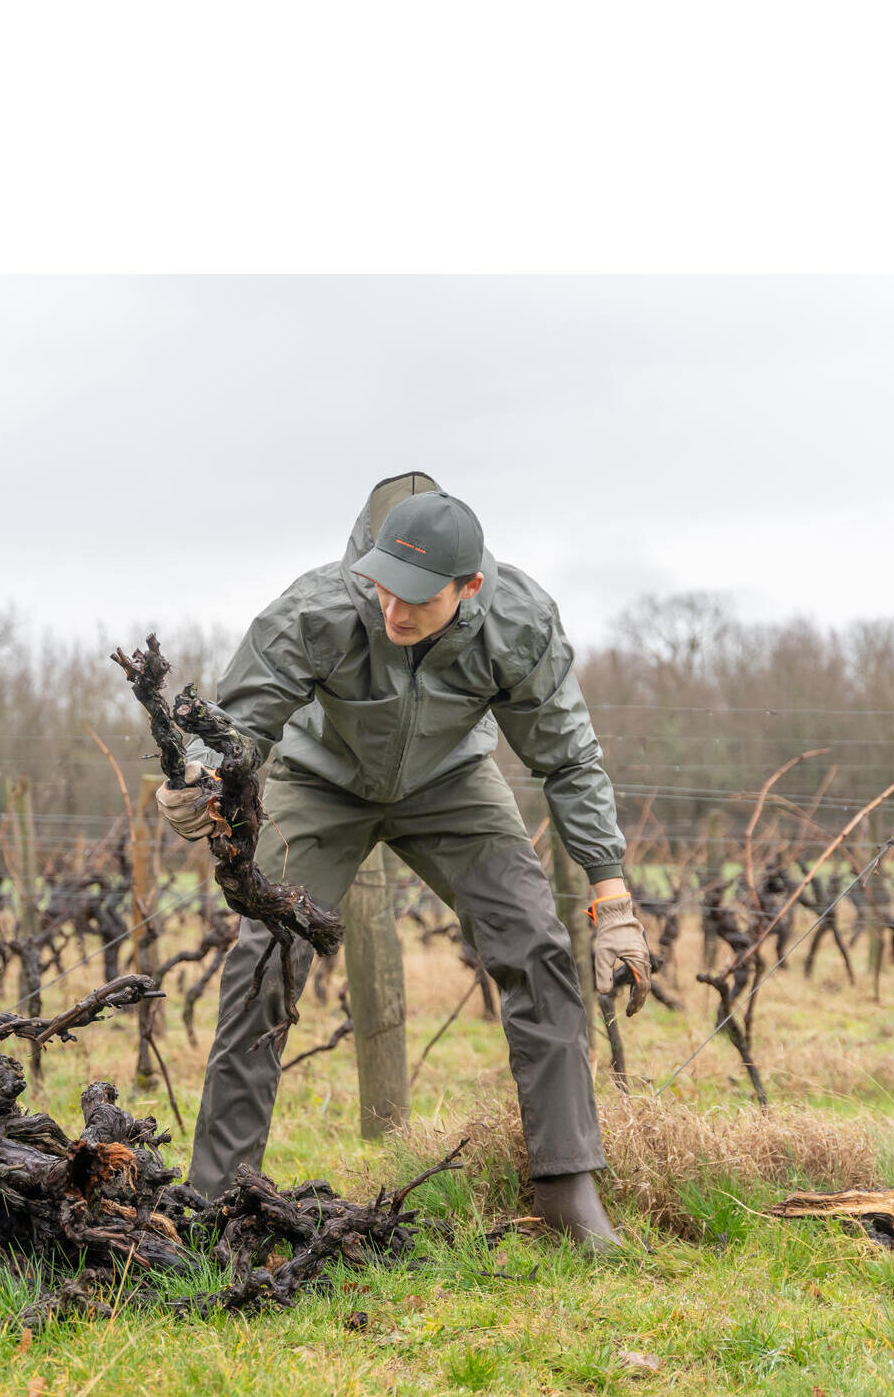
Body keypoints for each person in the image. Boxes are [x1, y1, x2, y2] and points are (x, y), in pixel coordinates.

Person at [158, 472, 649, 1245]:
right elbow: (239, 720)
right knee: (265, 967)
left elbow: (570, 760)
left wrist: (612, 900)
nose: (393, 610)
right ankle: (215, 1205)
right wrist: (203, 774)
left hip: (451, 782)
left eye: (416, 597)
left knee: (538, 947)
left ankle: (567, 1196)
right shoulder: (319, 608)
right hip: (319, 784)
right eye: (384, 588)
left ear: (470, 587)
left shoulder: (518, 625)